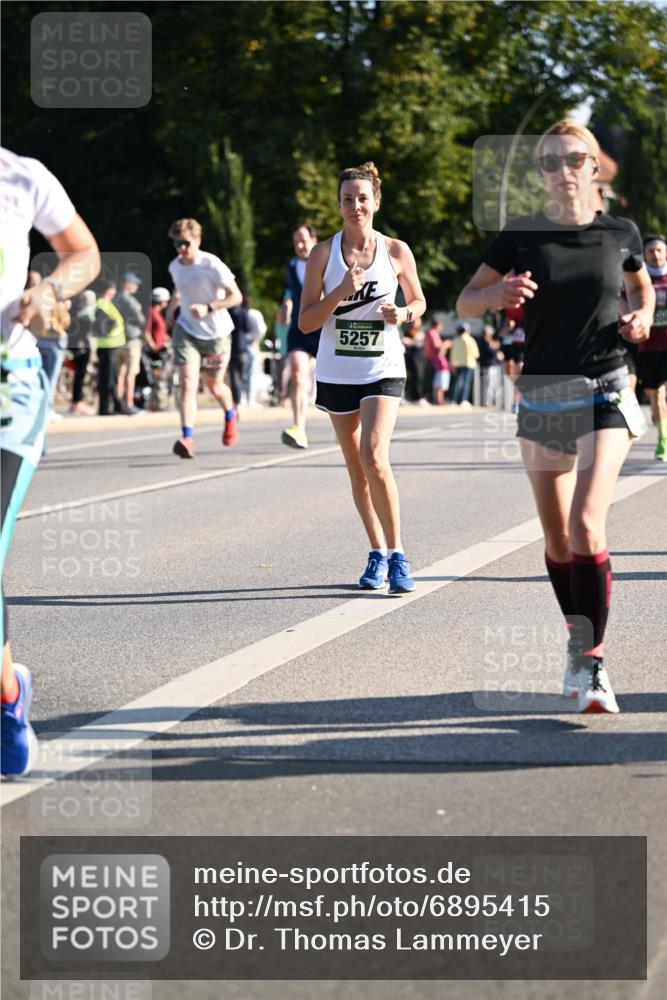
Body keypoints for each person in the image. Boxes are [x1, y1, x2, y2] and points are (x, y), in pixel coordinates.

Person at [456, 120, 654, 714]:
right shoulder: (519, 235)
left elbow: (641, 291)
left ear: (594, 167)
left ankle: (590, 663)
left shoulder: (621, 232)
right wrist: (494, 297)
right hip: (544, 392)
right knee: (558, 538)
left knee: (588, 524)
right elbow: (467, 299)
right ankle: (577, 643)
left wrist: (642, 318)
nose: (562, 171)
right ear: (540, 174)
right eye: (550, 163)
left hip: (607, 387)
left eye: (574, 159)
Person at [1, 145, 100, 776]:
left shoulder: (22, 175)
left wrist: (47, 290)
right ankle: (9, 693)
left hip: (9, 381)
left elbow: (82, 254)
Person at [299, 161, 426, 594]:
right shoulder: (322, 253)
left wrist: (404, 313)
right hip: (338, 369)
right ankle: (375, 551)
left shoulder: (395, 251)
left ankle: (398, 555)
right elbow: (306, 323)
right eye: (347, 199)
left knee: (375, 456)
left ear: (376, 202)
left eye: (362, 198)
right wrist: (341, 292)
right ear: (339, 204)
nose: (355, 205)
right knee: (357, 470)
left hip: (382, 366)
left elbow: (420, 300)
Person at [166, 218, 243, 458]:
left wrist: (209, 307)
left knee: (214, 385)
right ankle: (187, 437)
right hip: (186, 329)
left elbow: (236, 297)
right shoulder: (175, 266)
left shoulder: (212, 265)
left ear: (197, 240)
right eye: (177, 244)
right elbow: (180, 287)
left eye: (186, 244)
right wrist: (172, 308)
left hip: (216, 334)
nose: (182, 249)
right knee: (188, 381)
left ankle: (230, 414)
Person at [282, 224, 321, 449]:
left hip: (324, 329)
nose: (299, 245)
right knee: (298, 375)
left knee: (334, 381)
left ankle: (347, 425)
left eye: (303, 240)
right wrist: (285, 307)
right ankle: (299, 428)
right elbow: (290, 292)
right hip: (299, 328)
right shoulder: (292, 265)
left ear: (313, 239)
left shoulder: (327, 261)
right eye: (296, 241)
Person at [636, 234, 667, 460]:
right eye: (650, 251)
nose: (655, 254)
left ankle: (663, 439)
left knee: (662, 393)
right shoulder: (639, 279)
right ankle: (662, 436)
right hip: (648, 346)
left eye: (659, 250)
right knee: (655, 394)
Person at [114, 272, 146, 415]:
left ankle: (118, 402)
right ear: (126, 283)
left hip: (116, 339)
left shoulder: (114, 298)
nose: (136, 286)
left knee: (119, 374)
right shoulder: (130, 301)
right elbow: (140, 320)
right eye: (133, 283)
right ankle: (129, 404)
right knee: (131, 373)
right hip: (131, 340)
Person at [94, 278, 127, 415]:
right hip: (107, 346)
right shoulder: (101, 304)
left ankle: (115, 404)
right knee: (108, 378)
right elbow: (101, 326)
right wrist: (111, 329)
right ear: (108, 291)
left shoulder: (106, 304)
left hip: (111, 345)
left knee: (111, 377)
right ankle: (106, 406)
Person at [66, 289, 96, 415]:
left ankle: (77, 402)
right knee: (80, 375)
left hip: (81, 346)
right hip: (82, 347)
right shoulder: (85, 314)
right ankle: (76, 403)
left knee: (80, 376)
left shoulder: (77, 311)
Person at [144, 286, 171, 410]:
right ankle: (154, 402)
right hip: (154, 351)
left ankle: (158, 401)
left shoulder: (157, 314)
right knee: (156, 377)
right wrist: (152, 345)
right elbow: (147, 330)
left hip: (161, 349)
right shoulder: (151, 312)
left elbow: (160, 331)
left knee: (160, 377)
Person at [449, 321, 480, 407]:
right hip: (469, 364)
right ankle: (463, 400)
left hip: (457, 364)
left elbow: (452, 353)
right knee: (466, 383)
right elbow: (476, 354)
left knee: (457, 382)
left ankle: (453, 400)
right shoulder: (470, 340)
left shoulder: (455, 340)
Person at [243, 294, 267, 407]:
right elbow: (261, 329)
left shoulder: (240, 313)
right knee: (251, 372)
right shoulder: (254, 314)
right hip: (251, 345)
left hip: (242, 346)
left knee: (243, 372)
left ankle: (243, 397)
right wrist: (256, 339)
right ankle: (249, 398)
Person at [402, 315, 429, 404]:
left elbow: (417, 340)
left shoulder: (421, 331)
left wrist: (412, 342)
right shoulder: (408, 331)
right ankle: (415, 397)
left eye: (416, 321)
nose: (414, 323)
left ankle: (419, 396)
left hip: (420, 357)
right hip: (411, 357)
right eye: (413, 321)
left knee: (420, 377)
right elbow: (405, 341)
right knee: (414, 377)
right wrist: (413, 342)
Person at [424, 317, 451, 405]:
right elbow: (437, 347)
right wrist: (446, 344)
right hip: (434, 360)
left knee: (434, 380)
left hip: (431, 359)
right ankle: (433, 399)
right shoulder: (433, 333)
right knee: (434, 381)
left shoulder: (430, 332)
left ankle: (434, 399)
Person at [478, 324, 504, 407]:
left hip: (493, 365)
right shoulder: (484, 342)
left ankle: (492, 401)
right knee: (489, 384)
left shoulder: (489, 342)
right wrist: (496, 350)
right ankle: (487, 401)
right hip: (488, 366)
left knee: (494, 384)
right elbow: (492, 352)